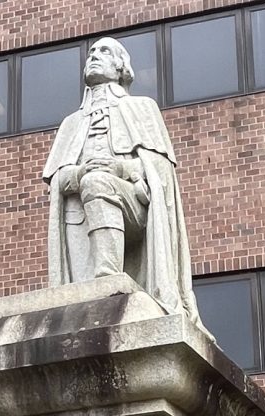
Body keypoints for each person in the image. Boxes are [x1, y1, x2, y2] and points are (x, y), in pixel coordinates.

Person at [43, 36, 209, 329]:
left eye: (104, 51)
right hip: (82, 214)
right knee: (92, 180)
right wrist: (80, 174)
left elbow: (160, 169)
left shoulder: (142, 108)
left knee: (98, 182)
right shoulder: (71, 123)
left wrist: (117, 167)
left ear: (121, 66)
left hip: (133, 207)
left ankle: (107, 278)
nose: (93, 55)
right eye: (91, 51)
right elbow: (58, 181)